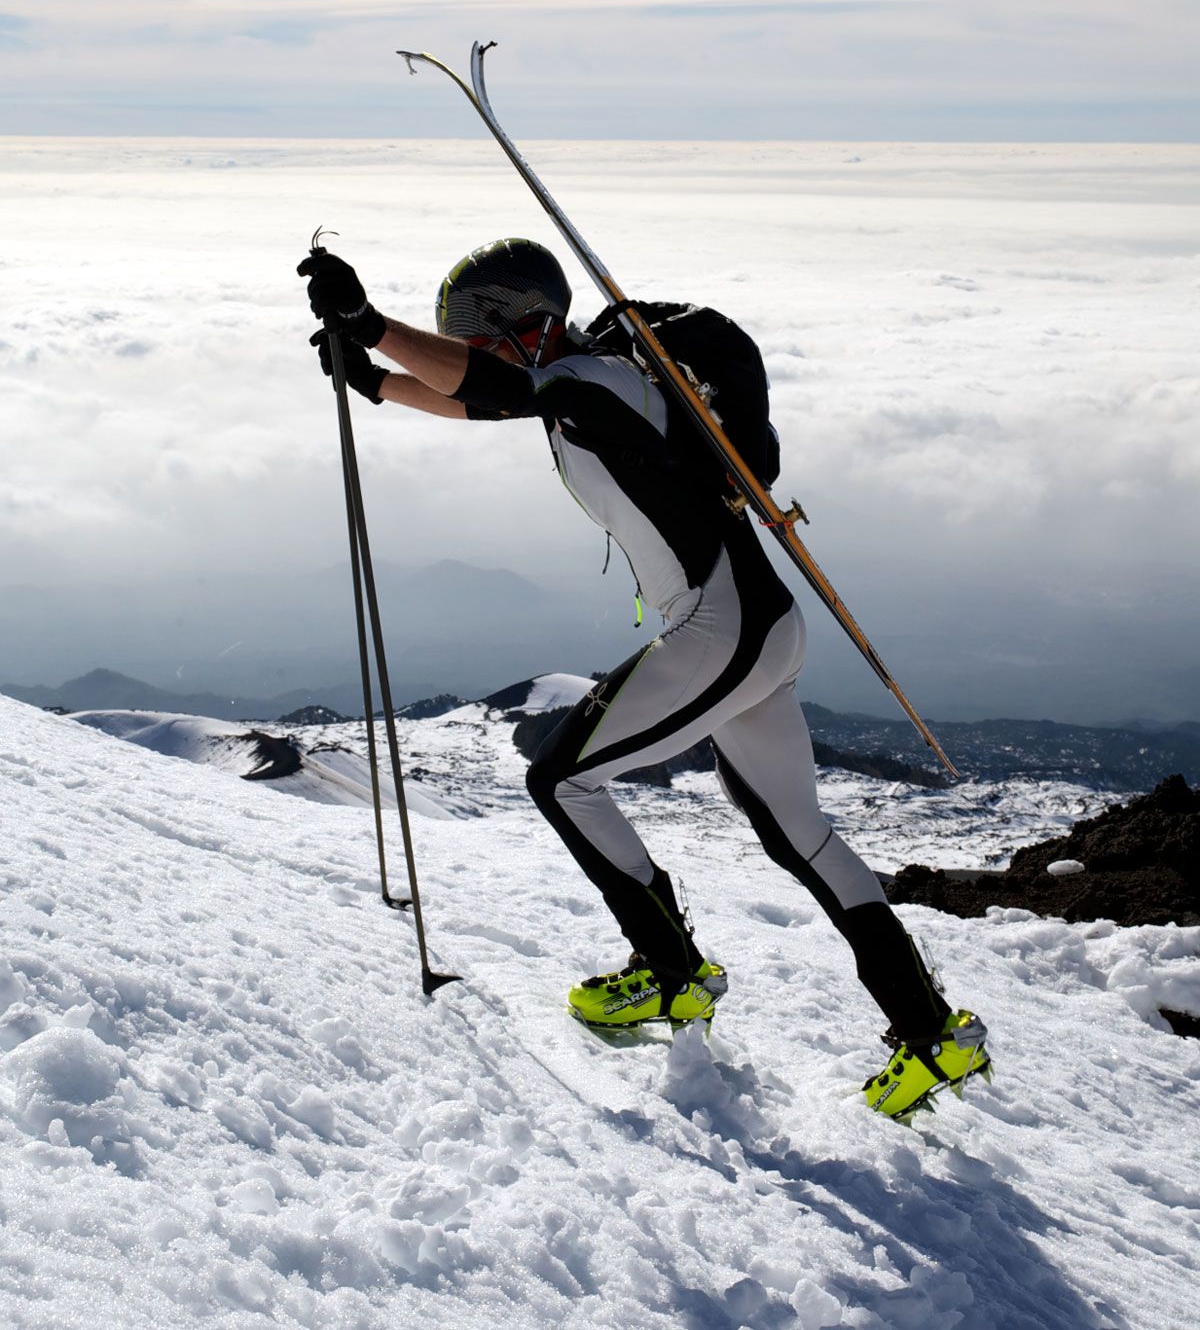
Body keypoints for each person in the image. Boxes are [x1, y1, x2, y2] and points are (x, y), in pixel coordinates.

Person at [298, 238, 990, 1118]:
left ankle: (673, 974)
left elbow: (493, 388)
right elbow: (483, 400)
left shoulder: (593, 380)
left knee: (560, 779)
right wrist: (375, 379)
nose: (468, 345)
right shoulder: (582, 388)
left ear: (520, 319)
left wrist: (371, 327)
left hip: (721, 631)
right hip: (756, 629)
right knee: (800, 838)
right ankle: (934, 1034)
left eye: (474, 328)